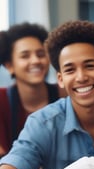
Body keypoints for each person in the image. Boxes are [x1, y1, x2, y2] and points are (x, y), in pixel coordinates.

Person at [0, 20, 94, 169]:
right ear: (61, 79)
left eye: (89, 66)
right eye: (70, 70)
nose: (81, 77)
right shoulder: (43, 123)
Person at [0, 22, 64, 157]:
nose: (35, 61)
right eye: (25, 56)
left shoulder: (65, 94)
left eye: (41, 54)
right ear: (9, 66)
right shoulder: (2, 100)